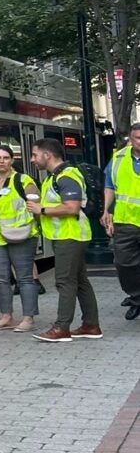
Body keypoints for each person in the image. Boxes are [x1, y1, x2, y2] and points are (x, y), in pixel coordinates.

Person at [30, 138, 100, 342]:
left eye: (35, 155)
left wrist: (41, 209)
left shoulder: (66, 176)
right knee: (80, 281)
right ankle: (91, 325)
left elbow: (72, 207)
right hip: (69, 235)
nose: (33, 159)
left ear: (47, 155)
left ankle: (62, 328)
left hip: (69, 236)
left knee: (65, 281)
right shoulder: (56, 177)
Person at [0, 145, 41, 332]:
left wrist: (35, 225)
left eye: (6, 157)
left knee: (24, 278)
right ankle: (6, 316)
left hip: (22, 236)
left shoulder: (23, 180)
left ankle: (28, 319)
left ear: (12, 160)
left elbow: (36, 203)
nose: (1, 161)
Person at [102, 122, 140, 321]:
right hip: (125, 221)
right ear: (130, 139)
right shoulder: (118, 158)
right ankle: (136, 296)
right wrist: (106, 210)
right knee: (124, 264)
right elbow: (110, 185)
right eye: (138, 138)